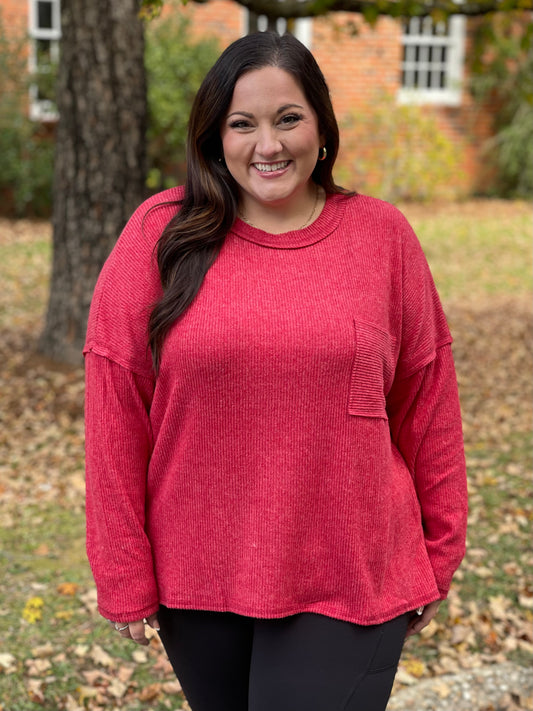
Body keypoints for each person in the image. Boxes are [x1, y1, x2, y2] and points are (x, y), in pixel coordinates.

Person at [84, 31, 468, 711]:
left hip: (351, 571)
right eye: (242, 123)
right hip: (197, 575)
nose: (268, 144)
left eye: (287, 118)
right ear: (214, 137)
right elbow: (116, 405)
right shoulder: (160, 235)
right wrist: (122, 570)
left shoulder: (381, 238)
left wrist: (440, 552)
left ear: (320, 125)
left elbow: (426, 397)